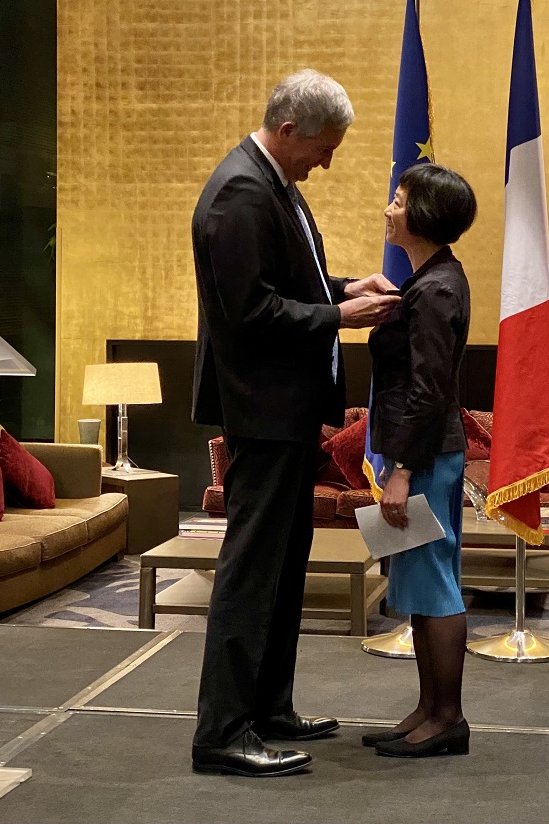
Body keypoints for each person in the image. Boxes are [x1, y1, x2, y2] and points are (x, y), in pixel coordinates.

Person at [190, 69, 398, 777]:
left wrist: (345, 287)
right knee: (251, 572)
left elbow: (290, 283)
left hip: (287, 411)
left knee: (281, 570)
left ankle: (269, 707)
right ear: (288, 130)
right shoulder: (240, 194)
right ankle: (223, 731)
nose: (327, 161)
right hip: (262, 411)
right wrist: (340, 315)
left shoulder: (273, 183)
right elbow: (250, 313)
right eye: (324, 147)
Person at [362, 162, 477, 760]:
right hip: (418, 450)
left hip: (425, 455)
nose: (389, 208)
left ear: (424, 215)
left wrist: (402, 470)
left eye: (400, 200)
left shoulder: (435, 290)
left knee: (435, 584)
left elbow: (429, 391)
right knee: (420, 582)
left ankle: (448, 718)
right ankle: (428, 709)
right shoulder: (428, 281)